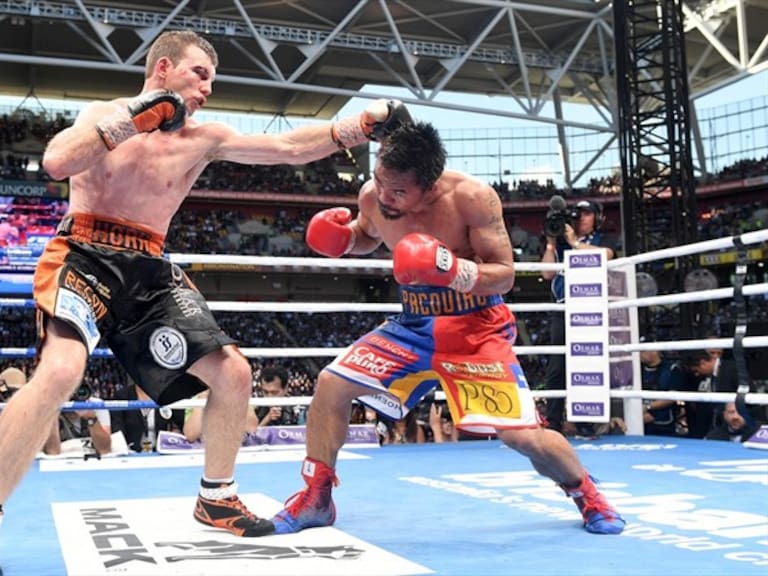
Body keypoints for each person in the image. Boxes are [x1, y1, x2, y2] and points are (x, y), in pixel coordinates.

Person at [0, 29, 411, 539]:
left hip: (149, 266)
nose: (207, 88)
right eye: (200, 74)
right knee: (61, 372)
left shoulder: (204, 138)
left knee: (233, 373)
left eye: (212, 80)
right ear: (164, 68)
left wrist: (355, 128)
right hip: (84, 252)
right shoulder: (103, 113)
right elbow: (58, 161)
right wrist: (137, 117)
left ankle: (216, 499)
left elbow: (284, 146)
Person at [270, 122, 625, 535]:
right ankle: (317, 497)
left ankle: (585, 491)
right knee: (332, 384)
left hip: (476, 329)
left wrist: (451, 270)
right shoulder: (375, 195)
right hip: (414, 324)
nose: (384, 196)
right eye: (380, 181)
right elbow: (369, 233)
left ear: (430, 186)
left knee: (522, 438)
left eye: (399, 191)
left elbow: (505, 275)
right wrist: (344, 239)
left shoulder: (472, 199)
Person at [540, 199, 615, 434]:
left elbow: (608, 256)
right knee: (556, 366)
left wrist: (574, 243)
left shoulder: (602, 240)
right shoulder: (561, 242)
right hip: (562, 308)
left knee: (588, 363)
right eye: (579, 214)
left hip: (590, 309)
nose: (582, 218)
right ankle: (553, 421)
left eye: (587, 214)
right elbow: (547, 273)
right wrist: (551, 244)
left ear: (597, 218)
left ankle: (586, 421)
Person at [110, 380, 186, 452]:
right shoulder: (122, 396)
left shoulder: (170, 395)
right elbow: (117, 429)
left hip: (164, 454)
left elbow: (181, 425)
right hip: (131, 454)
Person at [681, 349, 740, 439]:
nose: (697, 374)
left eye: (696, 370)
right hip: (723, 423)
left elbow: (748, 393)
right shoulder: (714, 374)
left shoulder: (731, 368)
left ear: (703, 363)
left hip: (737, 420)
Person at [640, 350, 684, 436]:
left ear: (654, 351)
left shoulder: (671, 369)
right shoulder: (637, 369)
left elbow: (672, 397)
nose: (639, 354)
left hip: (664, 422)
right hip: (639, 420)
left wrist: (648, 407)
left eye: (643, 351)